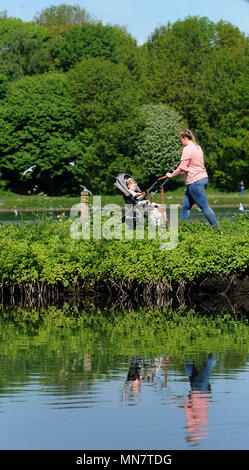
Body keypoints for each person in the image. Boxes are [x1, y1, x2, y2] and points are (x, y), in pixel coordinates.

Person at [165, 129, 219, 229]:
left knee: (204, 206)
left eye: (180, 139)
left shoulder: (187, 148)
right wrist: (182, 172)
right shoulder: (197, 147)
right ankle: (181, 229)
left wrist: (171, 175)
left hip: (195, 181)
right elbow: (189, 166)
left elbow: (182, 167)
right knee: (186, 207)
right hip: (202, 178)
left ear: (184, 138)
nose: (180, 142)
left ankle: (218, 230)